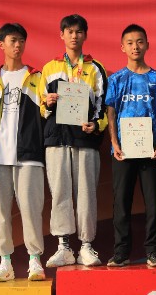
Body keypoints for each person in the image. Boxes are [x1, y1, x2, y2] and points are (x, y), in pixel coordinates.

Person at [41, 14, 108, 267]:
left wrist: (97, 125)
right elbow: (41, 107)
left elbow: (103, 105)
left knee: (86, 193)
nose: (74, 36)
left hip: (85, 138)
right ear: (62, 35)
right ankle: (63, 246)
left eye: (79, 31)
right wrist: (47, 103)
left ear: (85, 35)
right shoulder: (49, 68)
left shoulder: (95, 68)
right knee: (59, 192)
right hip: (56, 138)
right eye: (69, 31)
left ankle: (86, 246)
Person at [104, 24, 156, 267]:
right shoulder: (116, 79)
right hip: (123, 151)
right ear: (122, 47)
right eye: (130, 43)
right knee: (121, 202)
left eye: (140, 42)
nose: (135, 47)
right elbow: (111, 112)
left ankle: (153, 251)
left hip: (151, 151)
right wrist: (114, 142)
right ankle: (121, 252)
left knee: (153, 203)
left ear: (147, 45)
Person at [0, 23, 46, 281]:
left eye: (22, 40)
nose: (18, 45)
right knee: (0, 212)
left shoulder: (37, 77)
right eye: (13, 40)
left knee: (31, 210)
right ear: (1, 44)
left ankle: (35, 260)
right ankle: (5, 263)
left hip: (29, 155)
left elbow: (47, 112)